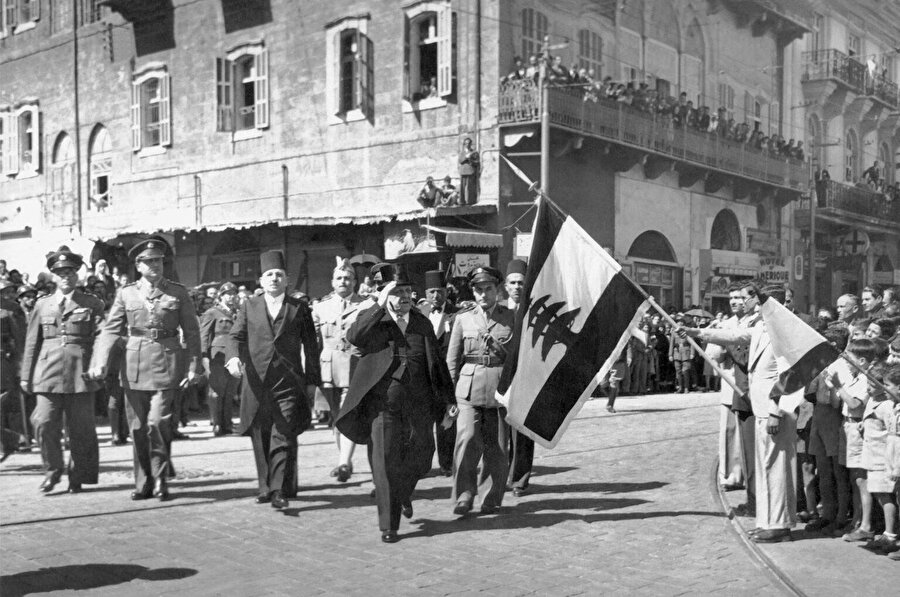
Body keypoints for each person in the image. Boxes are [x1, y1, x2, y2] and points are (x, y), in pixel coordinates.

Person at [336, 262, 454, 543]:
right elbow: (354, 336)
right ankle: (389, 525)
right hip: (383, 407)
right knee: (385, 463)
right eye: (396, 292)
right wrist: (378, 305)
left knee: (422, 457)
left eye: (407, 291)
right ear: (384, 294)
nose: (404, 297)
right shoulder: (373, 320)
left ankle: (402, 493)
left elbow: (437, 364)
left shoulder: (421, 323)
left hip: (419, 405)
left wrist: (449, 400)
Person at [683, 284, 798, 543]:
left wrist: (775, 411)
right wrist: (695, 332)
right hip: (762, 409)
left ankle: (779, 526)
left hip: (775, 411)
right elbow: (735, 336)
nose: (748, 304)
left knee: (776, 469)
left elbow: (788, 375)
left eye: (752, 300)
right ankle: (768, 521)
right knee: (766, 468)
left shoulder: (784, 330)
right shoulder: (762, 326)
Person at [89, 237, 201, 501]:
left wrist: (194, 366)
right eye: (148, 261)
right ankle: (144, 482)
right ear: (138, 266)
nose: (154, 265)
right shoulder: (126, 293)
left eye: (158, 261)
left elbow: (192, 332)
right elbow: (110, 330)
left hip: (166, 363)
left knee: (158, 422)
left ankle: (160, 477)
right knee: (138, 427)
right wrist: (100, 360)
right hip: (134, 366)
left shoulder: (177, 292)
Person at [225, 250, 320, 510]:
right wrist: (232, 359)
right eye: (269, 275)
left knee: (283, 431)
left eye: (279, 274)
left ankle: (279, 490)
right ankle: (265, 487)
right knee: (261, 433)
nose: (274, 278)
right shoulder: (249, 306)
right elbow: (235, 336)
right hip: (257, 381)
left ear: (287, 280)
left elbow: (311, 347)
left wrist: (312, 381)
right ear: (261, 280)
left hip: (288, 382)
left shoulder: (299, 308)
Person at [20, 247, 104, 494]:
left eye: (70, 272)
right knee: (43, 422)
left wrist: (99, 363)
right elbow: (32, 342)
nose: (66, 277)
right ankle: (52, 470)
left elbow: (102, 336)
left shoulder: (91, 303)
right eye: (60, 273)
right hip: (47, 373)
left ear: (77, 275)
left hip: (81, 373)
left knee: (81, 429)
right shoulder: (42, 304)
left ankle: (79, 475)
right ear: (53, 277)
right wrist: (26, 376)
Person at [447, 266, 515, 516]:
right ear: (473, 292)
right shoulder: (463, 319)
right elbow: (452, 360)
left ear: (498, 290)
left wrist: (499, 350)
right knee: (467, 440)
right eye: (478, 290)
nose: (483, 294)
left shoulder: (511, 318)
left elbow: (518, 357)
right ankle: (464, 495)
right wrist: (448, 396)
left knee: (497, 447)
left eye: (488, 289)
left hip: (499, 388)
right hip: (468, 389)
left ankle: (491, 497)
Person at [312, 258, 368, 483]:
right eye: (339, 278)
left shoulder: (365, 305)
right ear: (332, 282)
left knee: (348, 413)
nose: (343, 281)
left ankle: (343, 462)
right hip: (328, 368)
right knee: (336, 417)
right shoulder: (320, 307)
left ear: (355, 282)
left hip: (354, 366)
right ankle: (345, 459)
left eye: (348, 278)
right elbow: (313, 342)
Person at [504, 259, 533, 496]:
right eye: (512, 283)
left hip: (525, 379)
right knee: (499, 433)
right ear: (505, 286)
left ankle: (519, 480)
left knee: (522, 433)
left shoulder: (534, 312)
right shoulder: (498, 311)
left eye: (521, 283)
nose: (517, 287)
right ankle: (500, 476)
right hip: (499, 379)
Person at [424, 269, 458, 477]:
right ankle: (423, 464)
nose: (436, 296)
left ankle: (447, 463)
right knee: (424, 422)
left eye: (439, 291)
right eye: (431, 292)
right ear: (425, 294)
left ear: (446, 292)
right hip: (426, 377)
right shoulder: (419, 313)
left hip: (448, 378)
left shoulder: (457, 313)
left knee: (448, 420)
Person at [199, 282, 240, 437]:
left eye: (233, 294)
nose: (231, 297)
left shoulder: (238, 312)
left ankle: (227, 423)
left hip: (235, 355)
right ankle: (217, 424)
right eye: (227, 294)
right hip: (218, 355)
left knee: (230, 391)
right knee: (216, 390)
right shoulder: (212, 312)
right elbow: (204, 335)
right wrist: (203, 355)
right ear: (221, 296)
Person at [458, 137, 479, 205]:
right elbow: (460, 161)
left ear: (471, 144)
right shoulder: (462, 153)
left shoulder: (474, 152)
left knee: (470, 188)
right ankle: (462, 201)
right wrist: (466, 157)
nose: (467, 145)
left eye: (469, 143)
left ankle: (469, 202)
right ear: (464, 144)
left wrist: (471, 160)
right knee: (462, 188)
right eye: (466, 143)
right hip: (463, 172)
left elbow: (477, 162)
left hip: (470, 171)